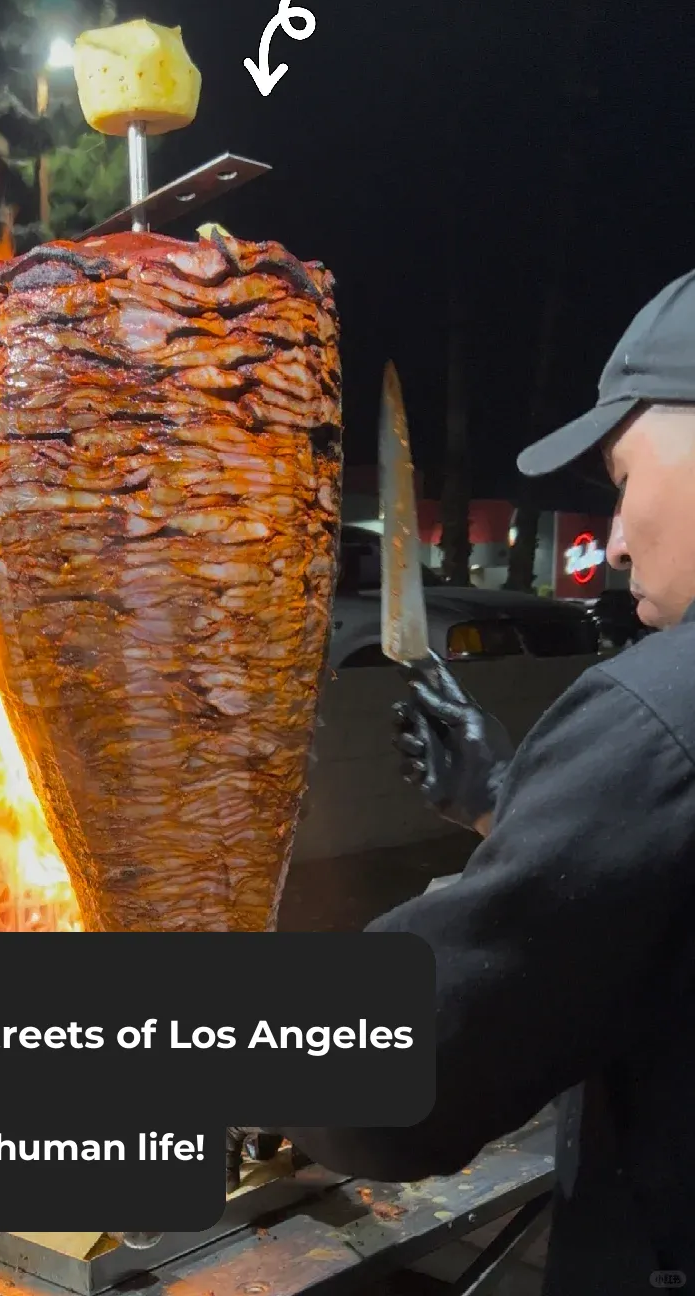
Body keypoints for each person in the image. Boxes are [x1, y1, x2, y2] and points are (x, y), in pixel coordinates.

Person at [231, 270, 695, 1293]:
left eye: (622, 480)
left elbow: (403, 1071)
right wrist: (505, 803)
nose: (613, 544)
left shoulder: (663, 713)